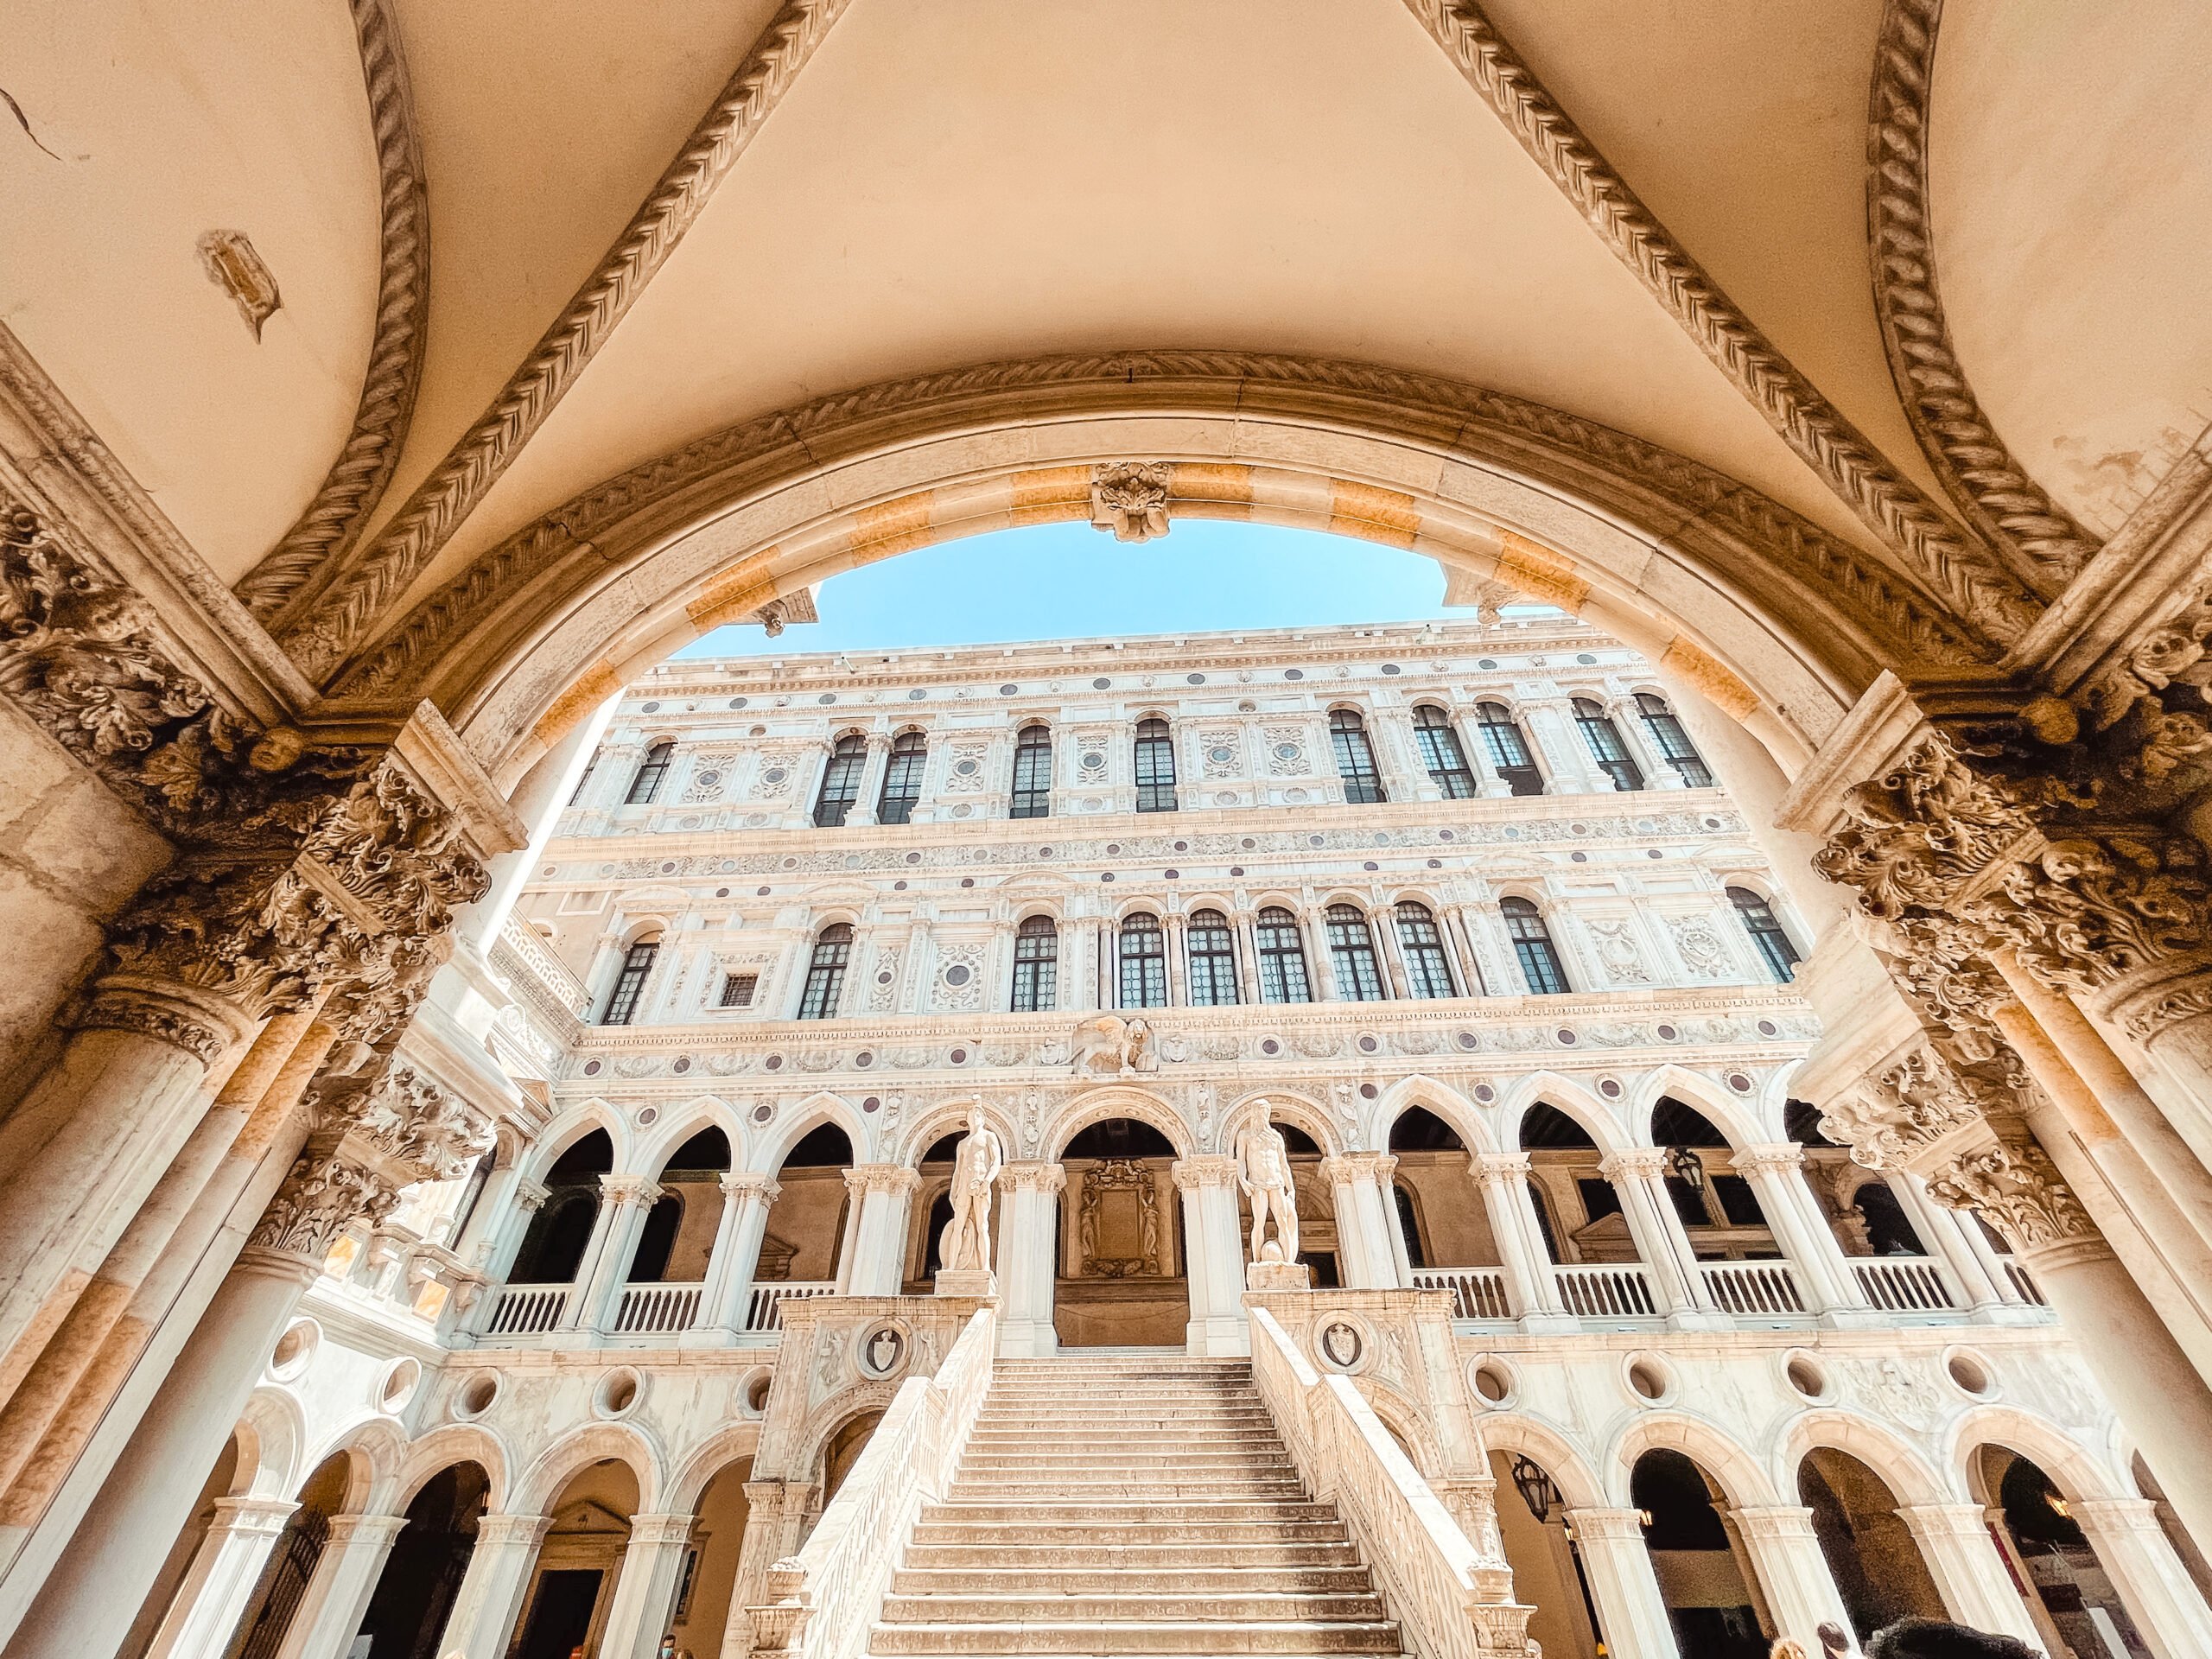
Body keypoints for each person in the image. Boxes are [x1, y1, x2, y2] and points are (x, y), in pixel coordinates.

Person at [938, 1104, 1004, 1274]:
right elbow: (958, 1170)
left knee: (982, 1226)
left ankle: (985, 1267)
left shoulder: (989, 1137)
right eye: (971, 1115)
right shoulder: (962, 1143)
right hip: (964, 1186)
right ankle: (951, 1267)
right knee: (958, 1226)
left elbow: (996, 1161)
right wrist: (953, 1191)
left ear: (983, 1119)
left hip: (980, 1183)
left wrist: (987, 1181)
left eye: (977, 1115)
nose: (974, 1118)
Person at [1234, 1101, 1299, 1264]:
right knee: (1259, 1221)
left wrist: (1291, 1190)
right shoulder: (1245, 1135)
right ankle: (1256, 1262)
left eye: (1264, 1112)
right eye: (1258, 1112)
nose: (1261, 1116)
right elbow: (1240, 1161)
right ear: (1253, 1114)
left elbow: (1284, 1165)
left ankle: (1289, 1262)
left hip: (1276, 1182)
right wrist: (1243, 1180)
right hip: (1258, 1183)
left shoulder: (1276, 1136)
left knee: (1282, 1221)